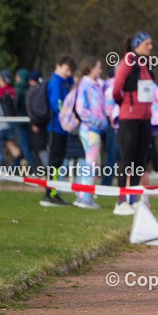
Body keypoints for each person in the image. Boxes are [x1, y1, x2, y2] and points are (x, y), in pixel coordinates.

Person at [112, 32, 154, 215]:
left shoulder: (147, 63)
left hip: (144, 118)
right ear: (138, 45)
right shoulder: (129, 60)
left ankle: (133, 199)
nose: (151, 47)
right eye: (147, 43)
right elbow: (116, 89)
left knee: (140, 160)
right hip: (129, 118)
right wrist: (127, 105)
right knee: (127, 159)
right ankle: (121, 201)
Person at [73, 57, 107, 209]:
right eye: (98, 67)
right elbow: (81, 109)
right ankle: (84, 197)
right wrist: (96, 121)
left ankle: (82, 194)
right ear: (90, 68)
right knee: (91, 164)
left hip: (93, 130)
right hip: (90, 130)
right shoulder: (86, 86)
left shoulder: (95, 85)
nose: (100, 70)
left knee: (91, 163)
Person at [41, 55, 75, 206]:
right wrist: (67, 116)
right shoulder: (56, 83)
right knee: (54, 163)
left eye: (70, 71)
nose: (68, 73)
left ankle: (54, 192)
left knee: (58, 163)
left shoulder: (66, 83)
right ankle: (51, 194)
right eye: (66, 69)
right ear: (58, 66)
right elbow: (57, 104)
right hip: (55, 128)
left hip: (62, 130)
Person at [0, 69, 22, 167]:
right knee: (10, 143)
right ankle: (18, 162)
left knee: (0, 147)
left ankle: (4, 169)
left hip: (2, 123)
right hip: (14, 120)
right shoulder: (13, 90)